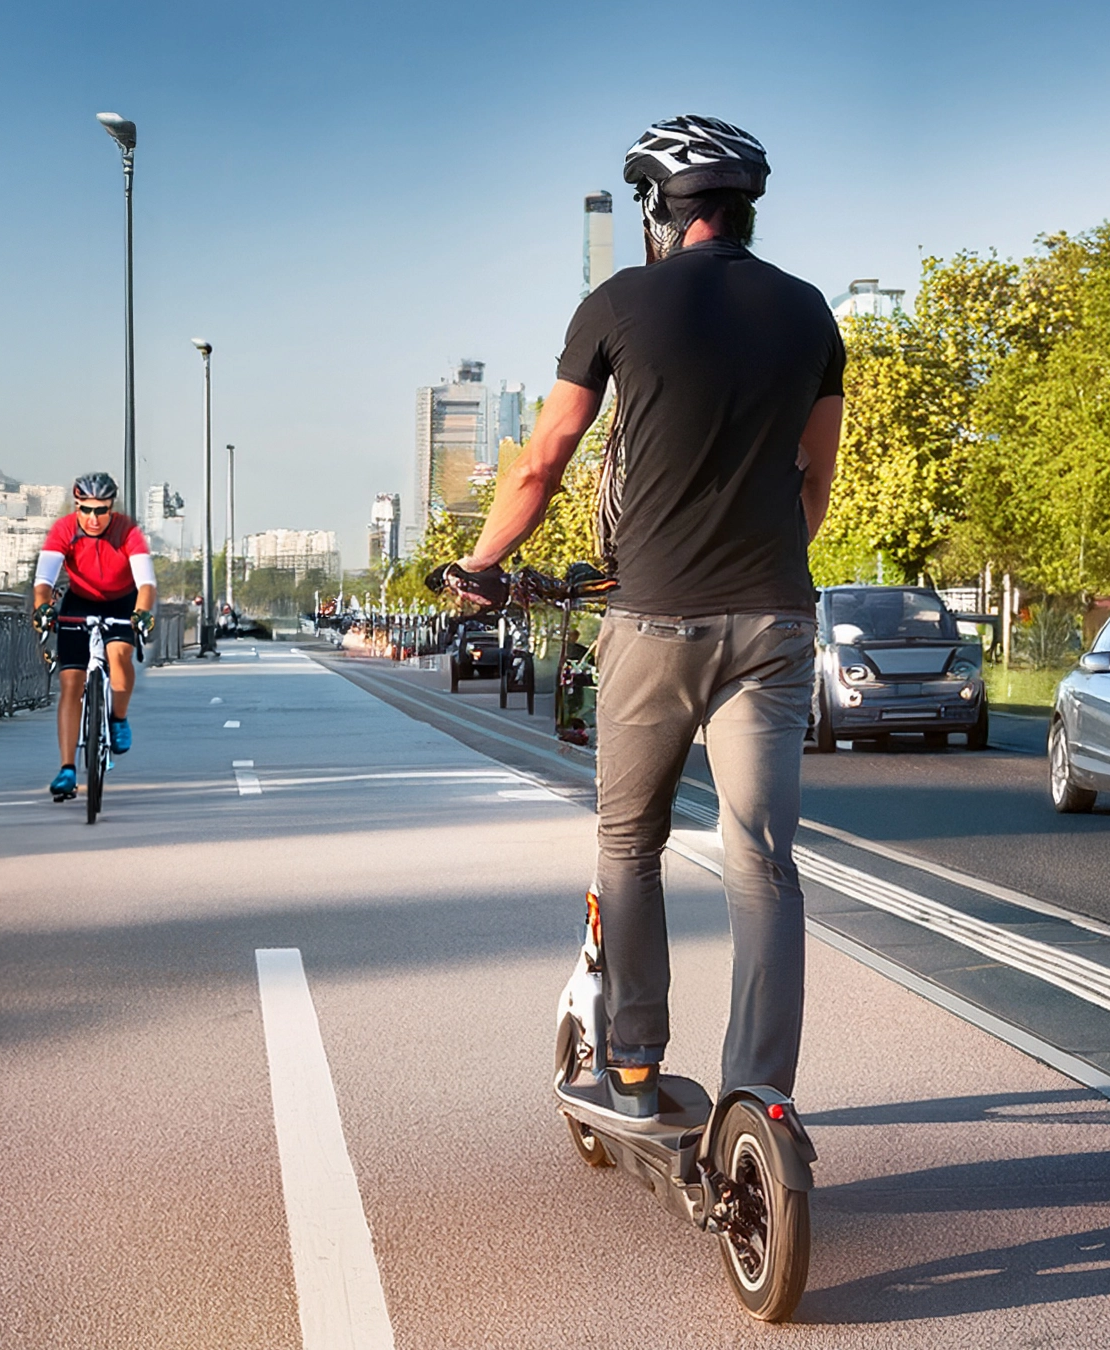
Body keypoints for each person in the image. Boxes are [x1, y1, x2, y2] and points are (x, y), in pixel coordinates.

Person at [450, 115, 844, 1120]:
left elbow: (544, 460)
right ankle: (761, 1095)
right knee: (763, 859)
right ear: (744, 206)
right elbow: (816, 485)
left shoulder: (617, 303)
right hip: (775, 625)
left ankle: (630, 1064)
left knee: (630, 843)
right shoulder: (809, 315)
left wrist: (481, 563)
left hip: (657, 620)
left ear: (660, 210)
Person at [32, 472, 157, 799]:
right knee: (71, 683)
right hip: (78, 601)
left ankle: (117, 717)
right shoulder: (63, 530)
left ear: (111, 508)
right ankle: (67, 769)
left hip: (121, 602)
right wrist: (43, 607)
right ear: (77, 506)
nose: (93, 518)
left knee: (118, 657)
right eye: (86, 509)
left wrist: (142, 612)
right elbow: (45, 578)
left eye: (101, 510)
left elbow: (145, 582)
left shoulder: (127, 531)